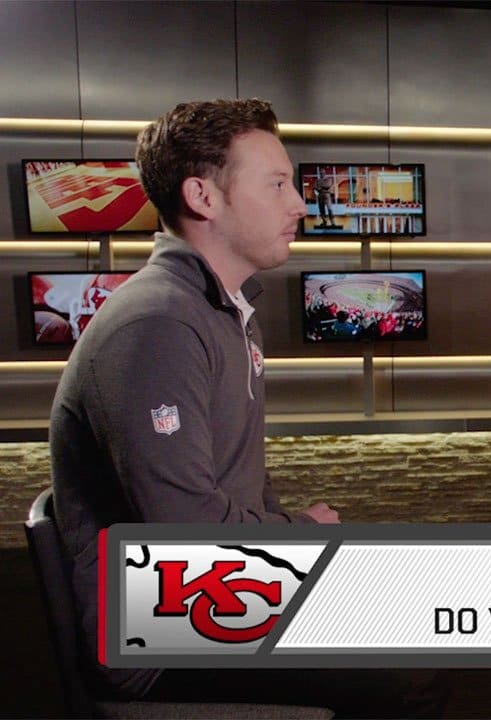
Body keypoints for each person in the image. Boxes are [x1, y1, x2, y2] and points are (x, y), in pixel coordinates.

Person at [49, 98, 447, 718]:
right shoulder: (157, 326)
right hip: (161, 630)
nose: (300, 205)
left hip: (219, 593)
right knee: (405, 669)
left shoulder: (220, 311)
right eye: (278, 184)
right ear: (203, 197)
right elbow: (185, 534)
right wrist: (304, 537)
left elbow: (241, 489)